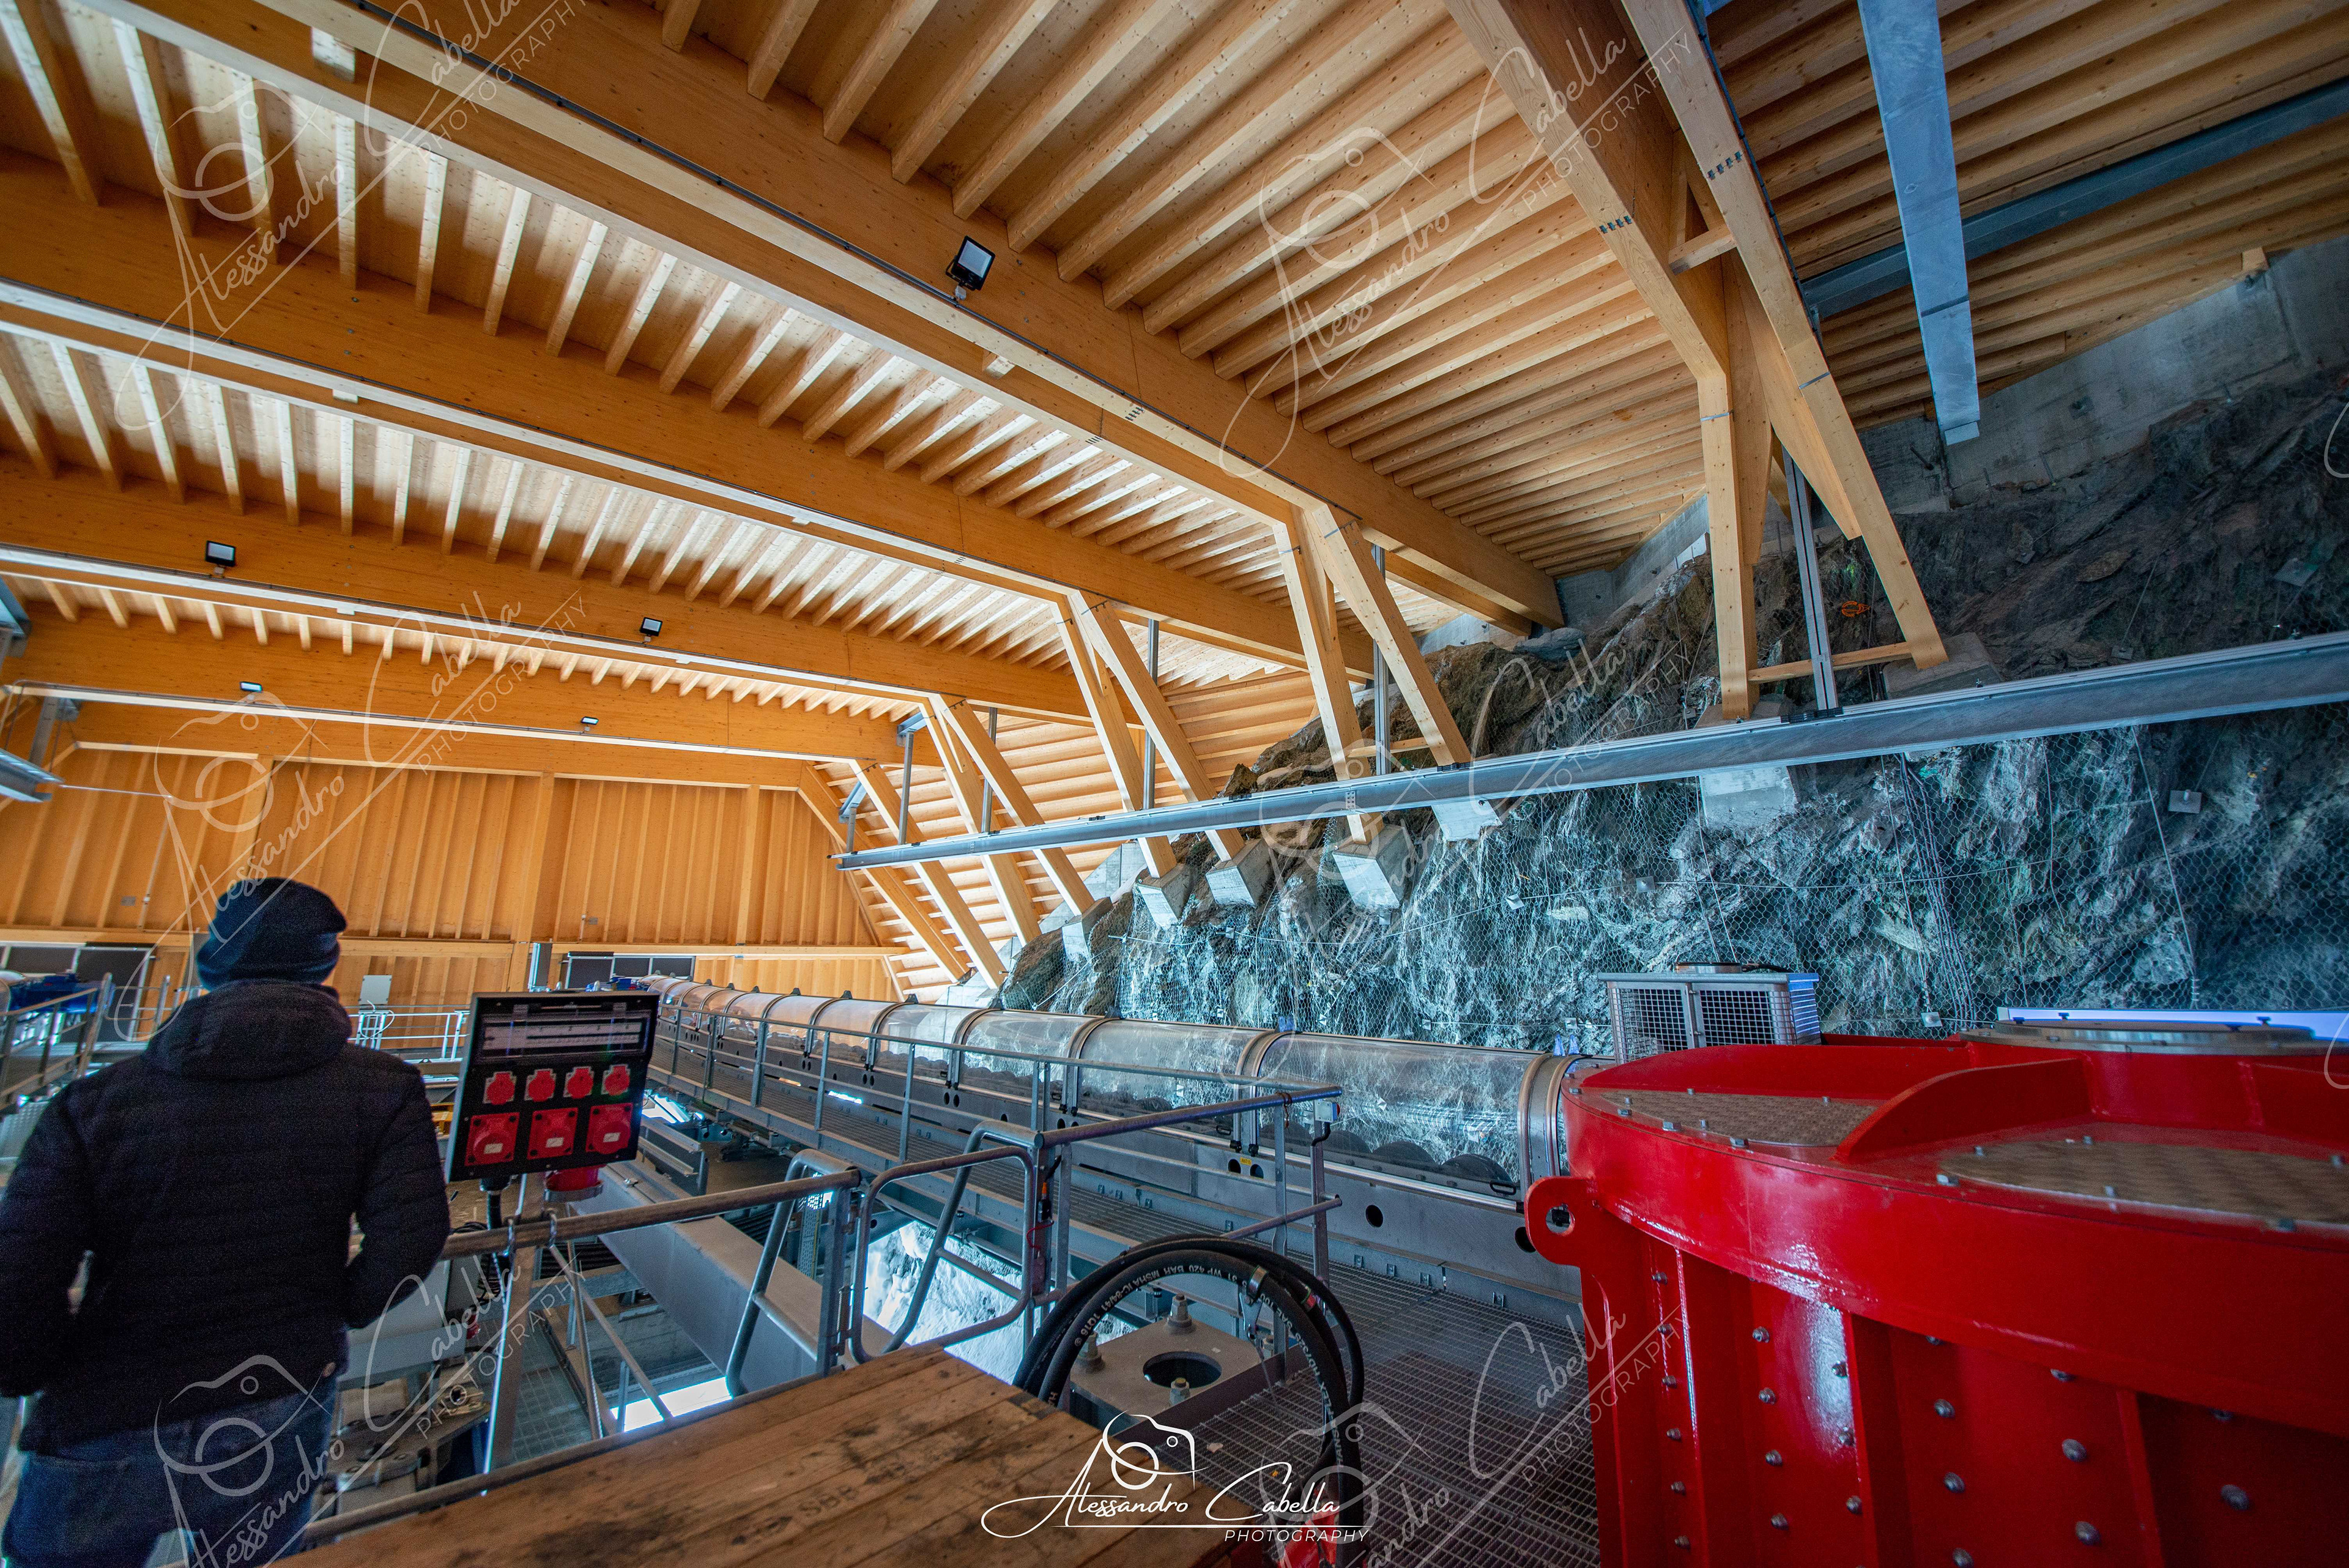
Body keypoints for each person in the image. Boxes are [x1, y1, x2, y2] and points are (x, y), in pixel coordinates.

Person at [0, 878, 450, 1567]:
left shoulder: (94, 1102)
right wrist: (331, 1312)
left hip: (105, 1410)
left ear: (212, 961)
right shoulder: (380, 1087)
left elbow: (21, 1271)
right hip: (281, 1389)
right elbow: (411, 1238)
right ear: (322, 962)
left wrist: (39, 1373)